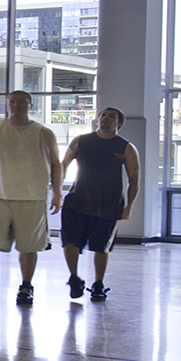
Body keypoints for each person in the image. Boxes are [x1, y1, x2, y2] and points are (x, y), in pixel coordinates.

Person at [0, 90, 63, 308]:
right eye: (12, 102)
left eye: (21, 102)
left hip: (33, 198)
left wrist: (57, 192)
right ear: (7, 105)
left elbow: (56, 164)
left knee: (29, 247)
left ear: (30, 105)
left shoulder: (44, 133)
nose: (16, 105)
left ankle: (26, 286)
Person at [59, 106, 140, 301]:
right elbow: (63, 165)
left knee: (101, 246)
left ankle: (98, 284)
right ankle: (74, 278)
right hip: (77, 199)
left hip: (109, 203)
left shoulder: (126, 147)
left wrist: (129, 206)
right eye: (103, 115)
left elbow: (134, 179)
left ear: (119, 123)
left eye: (111, 116)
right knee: (70, 241)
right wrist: (56, 191)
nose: (105, 118)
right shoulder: (81, 141)